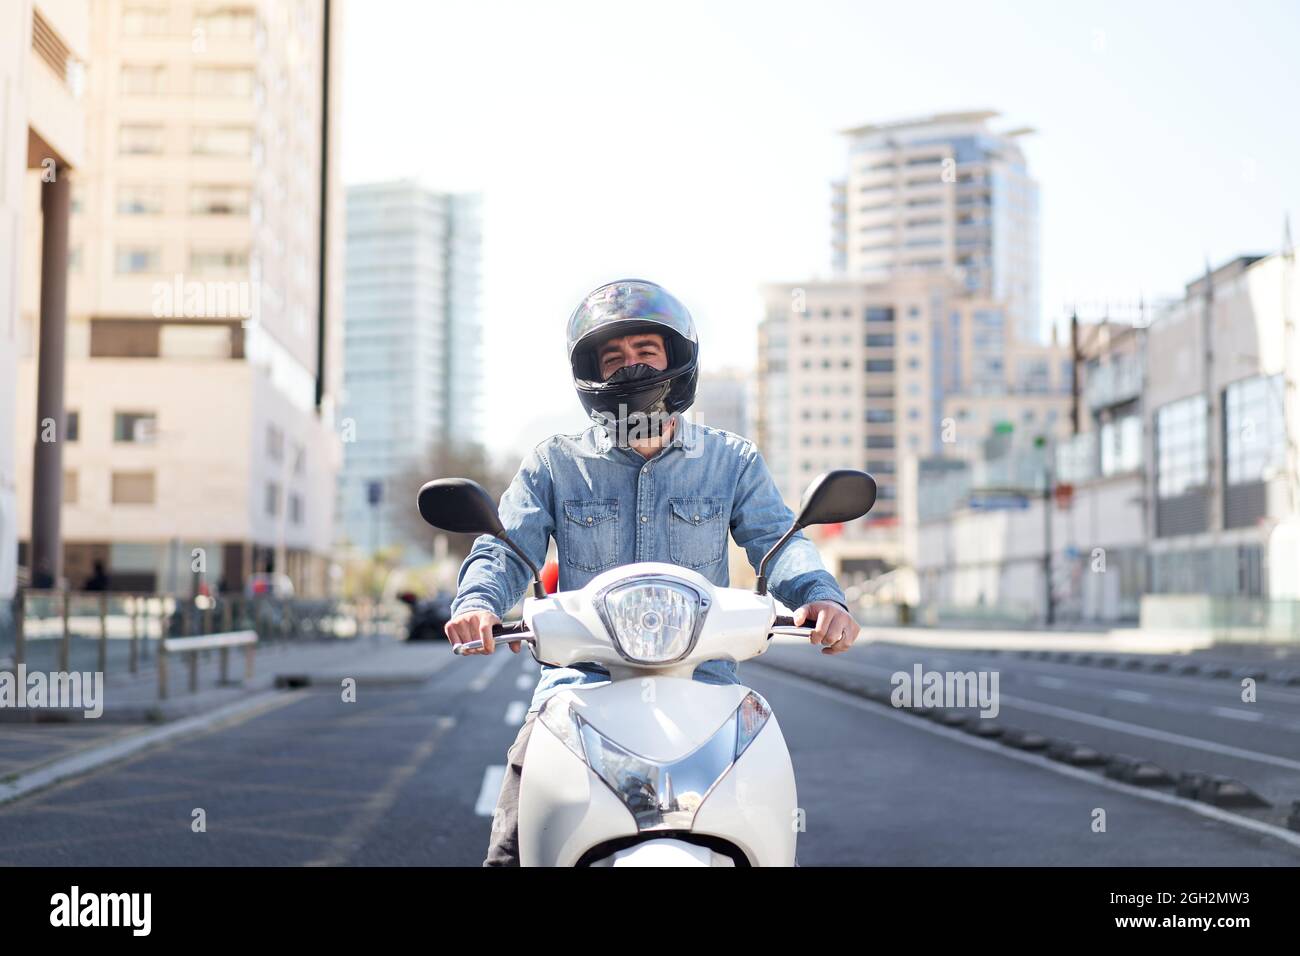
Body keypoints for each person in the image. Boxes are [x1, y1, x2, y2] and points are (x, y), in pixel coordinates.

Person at [445, 278, 860, 866]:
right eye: (611, 359)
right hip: (581, 689)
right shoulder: (556, 463)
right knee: (514, 839)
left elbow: (777, 541)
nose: (629, 369)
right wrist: (478, 604)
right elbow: (508, 549)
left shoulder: (730, 460)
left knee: (771, 830)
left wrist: (821, 596)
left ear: (676, 364)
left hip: (705, 686)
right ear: (590, 375)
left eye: (645, 353)